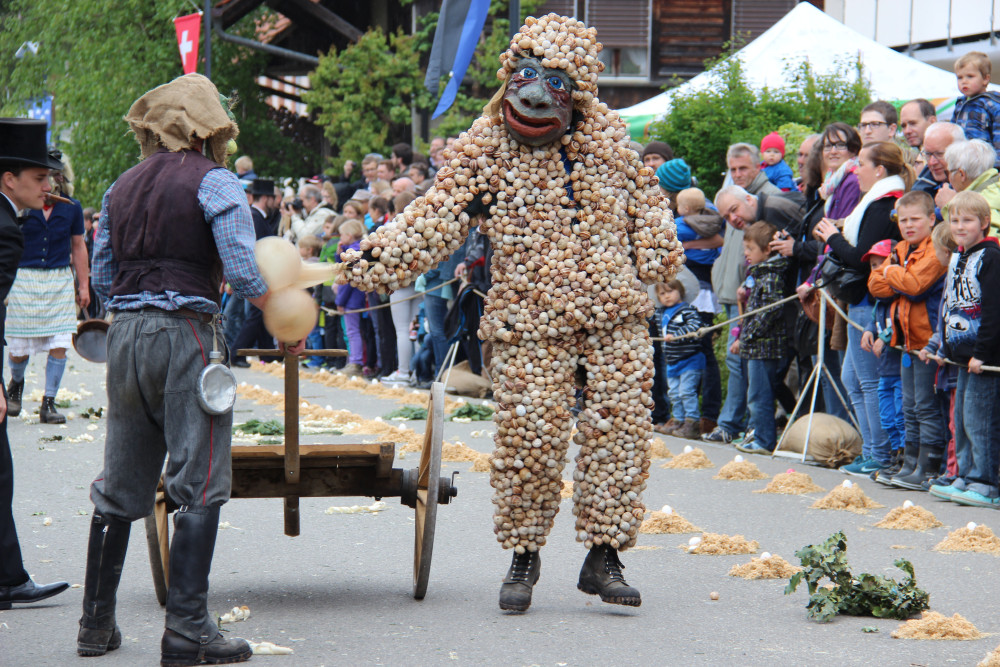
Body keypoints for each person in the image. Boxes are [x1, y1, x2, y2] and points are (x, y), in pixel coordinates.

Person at [342, 14, 681, 612]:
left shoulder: (609, 141)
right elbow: (437, 213)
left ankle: (604, 555)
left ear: (577, 91)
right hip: (527, 317)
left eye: (552, 81)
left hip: (615, 314)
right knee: (531, 436)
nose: (533, 92)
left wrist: (657, 252)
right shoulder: (487, 146)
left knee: (621, 431)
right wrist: (375, 258)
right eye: (525, 74)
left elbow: (647, 201)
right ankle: (523, 557)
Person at [79, 74, 304, 663]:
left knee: (119, 483)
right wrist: (283, 321)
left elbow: (103, 278)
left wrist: (134, 310)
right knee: (200, 479)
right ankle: (186, 629)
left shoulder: (119, 187)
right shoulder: (215, 182)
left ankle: (95, 626)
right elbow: (243, 268)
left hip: (125, 337)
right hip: (187, 337)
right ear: (208, 130)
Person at [0, 118, 70, 612]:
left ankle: (8, 577)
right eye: (39, 176)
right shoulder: (6, 229)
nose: (48, 185)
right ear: (10, 179)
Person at [813, 141, 911, 477]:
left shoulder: (884, 205)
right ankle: (873, 451)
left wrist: (831, 236)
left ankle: (879, 454)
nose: (856, 171)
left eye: (862, 165)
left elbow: (860, 256)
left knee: (867, 380)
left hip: (870, 301)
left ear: (879, 169)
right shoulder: (879, 202)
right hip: (861, 299)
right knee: (852, 378)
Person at [867, 191, 948, 486]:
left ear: (931, 218)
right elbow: (876, 286)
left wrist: (890, 271)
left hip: (928, 342)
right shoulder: (900, 249)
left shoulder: (935, 248)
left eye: (915, 219)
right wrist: (894, 274)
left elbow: (915, 286)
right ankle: (910, 464)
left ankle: (927, 467)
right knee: (909, 407)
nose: (908, 225)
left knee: (926, 407)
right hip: (905, 343)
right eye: (903, 220)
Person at [702, 143, 779, 445]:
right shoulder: (733, 198)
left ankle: (734, 424)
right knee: (739, 362)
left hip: (752, 295)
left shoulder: (765, 198)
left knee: (743, 362)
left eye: (743, 168)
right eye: (732, 170)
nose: (738, 174)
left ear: (758, 166)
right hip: (734, 291)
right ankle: (741, 423)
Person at [6, 146, 90, 425]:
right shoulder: (23, 207)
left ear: (60, 177)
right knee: (18, 346)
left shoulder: (72, 208)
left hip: (58, 280)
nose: (48, 182)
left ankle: (49, 403)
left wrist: (84, 286)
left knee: (60, 342)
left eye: (53, 175)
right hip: (24, 279)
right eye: (43, 176)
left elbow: (78, 247)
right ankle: (15, 386)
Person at [927, 190, 1000, 507]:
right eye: (954, 220)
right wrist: (944, 347)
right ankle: (967, 474)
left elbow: (993, 310)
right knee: (963, 419)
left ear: (984, 223)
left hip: (983, 358)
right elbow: (949, 307)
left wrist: (982, 353)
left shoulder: (991, 258)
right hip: (959, 356)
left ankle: (986, 481)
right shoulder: (957, 256)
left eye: (967, 220)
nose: (959, 226)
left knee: (980, 420)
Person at [732, 222, 790, 454]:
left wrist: (746, 338)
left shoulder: (771, 276)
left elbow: (769, 312)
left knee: (759, 396)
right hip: (755, 347)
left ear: (767, 250)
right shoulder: (759, 273)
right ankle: (756, 434)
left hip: (764, 348)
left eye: (750, 249)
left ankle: (765, 440)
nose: (746, 253)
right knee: (755, 394)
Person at [859, 240, 905, 482]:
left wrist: (885, 337)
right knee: (886, 416)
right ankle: (893, 456)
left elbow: (899, 321)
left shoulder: (899, 296)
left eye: (881, 264)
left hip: (899, 369)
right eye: (873, 266)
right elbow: (876, 317)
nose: (876, 270)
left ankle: (904, 458)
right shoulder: (880, 300)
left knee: (900, 415)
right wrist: (868, 330)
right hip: (884, 371)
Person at [656, 280, 704, 439]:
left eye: (670, 291)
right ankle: (678, 420)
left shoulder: (687, 310)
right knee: (674, 393)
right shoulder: (661, 313)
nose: (667, 296)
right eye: (662, 294)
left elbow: (695, 325)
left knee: (686, 392)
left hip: (689, 359)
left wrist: (676, 335)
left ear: (680, 291)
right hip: (672, 361)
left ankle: (692, 423)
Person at [939, 139, 1000, 233]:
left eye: (947, 172)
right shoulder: (995, 185)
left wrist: (949, 206)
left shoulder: (984, 200)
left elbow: (990, 242)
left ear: (962, 174)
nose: (948, 178)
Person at [952, 51, 1000, 169]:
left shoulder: (991, 104)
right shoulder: (960, 104)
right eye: (960, 77)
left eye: (970, 76)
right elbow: (952, 132)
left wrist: (997, 165)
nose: (964, 81)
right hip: (963, 161)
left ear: (985, 79)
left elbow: (998, 135)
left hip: (986, 163)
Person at [334, 219, 366, 376]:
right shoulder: (352, 249)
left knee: (352, 331)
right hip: (352, 298)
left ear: (349, 234)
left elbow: (346, 279)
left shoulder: (353, 253)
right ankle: (353, 360)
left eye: (341, 235)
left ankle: (355, 362)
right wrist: (339, 253)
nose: (340, 238)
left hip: (351, 299)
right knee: (351, 331)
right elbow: (340, 268)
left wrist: (340, 301)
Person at [916, 122, 966, 201]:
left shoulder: (982, 188)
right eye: (928, 154)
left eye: (939, 154)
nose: (932, 162)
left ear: (960, 152)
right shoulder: (922, 185)